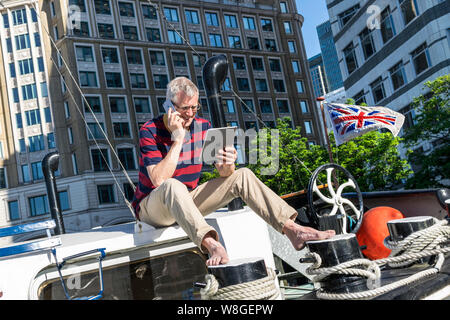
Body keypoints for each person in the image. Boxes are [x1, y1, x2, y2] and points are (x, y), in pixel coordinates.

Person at [132, 77, 335, 266]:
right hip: (153, 208)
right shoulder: (150, 130)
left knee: (243, 175)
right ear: (169, 107)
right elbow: (158, 179)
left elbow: (225, 174)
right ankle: (213, 245)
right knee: (172, 185)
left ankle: (293, 230)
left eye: (195, 107)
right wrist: (178, 139)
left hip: (186, 200)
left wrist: (228, 163)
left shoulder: (203, 127)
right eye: (185, 108)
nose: (191, 114)